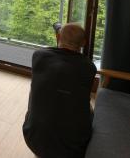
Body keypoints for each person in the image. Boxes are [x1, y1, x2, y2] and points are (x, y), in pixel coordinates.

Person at [22, 22, 97, 158]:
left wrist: (60, 29)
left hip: (33, 139)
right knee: (88, 107)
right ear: (84, 43)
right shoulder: (88, 67)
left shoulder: (39, 56)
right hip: (73, 147)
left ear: (58, 37)